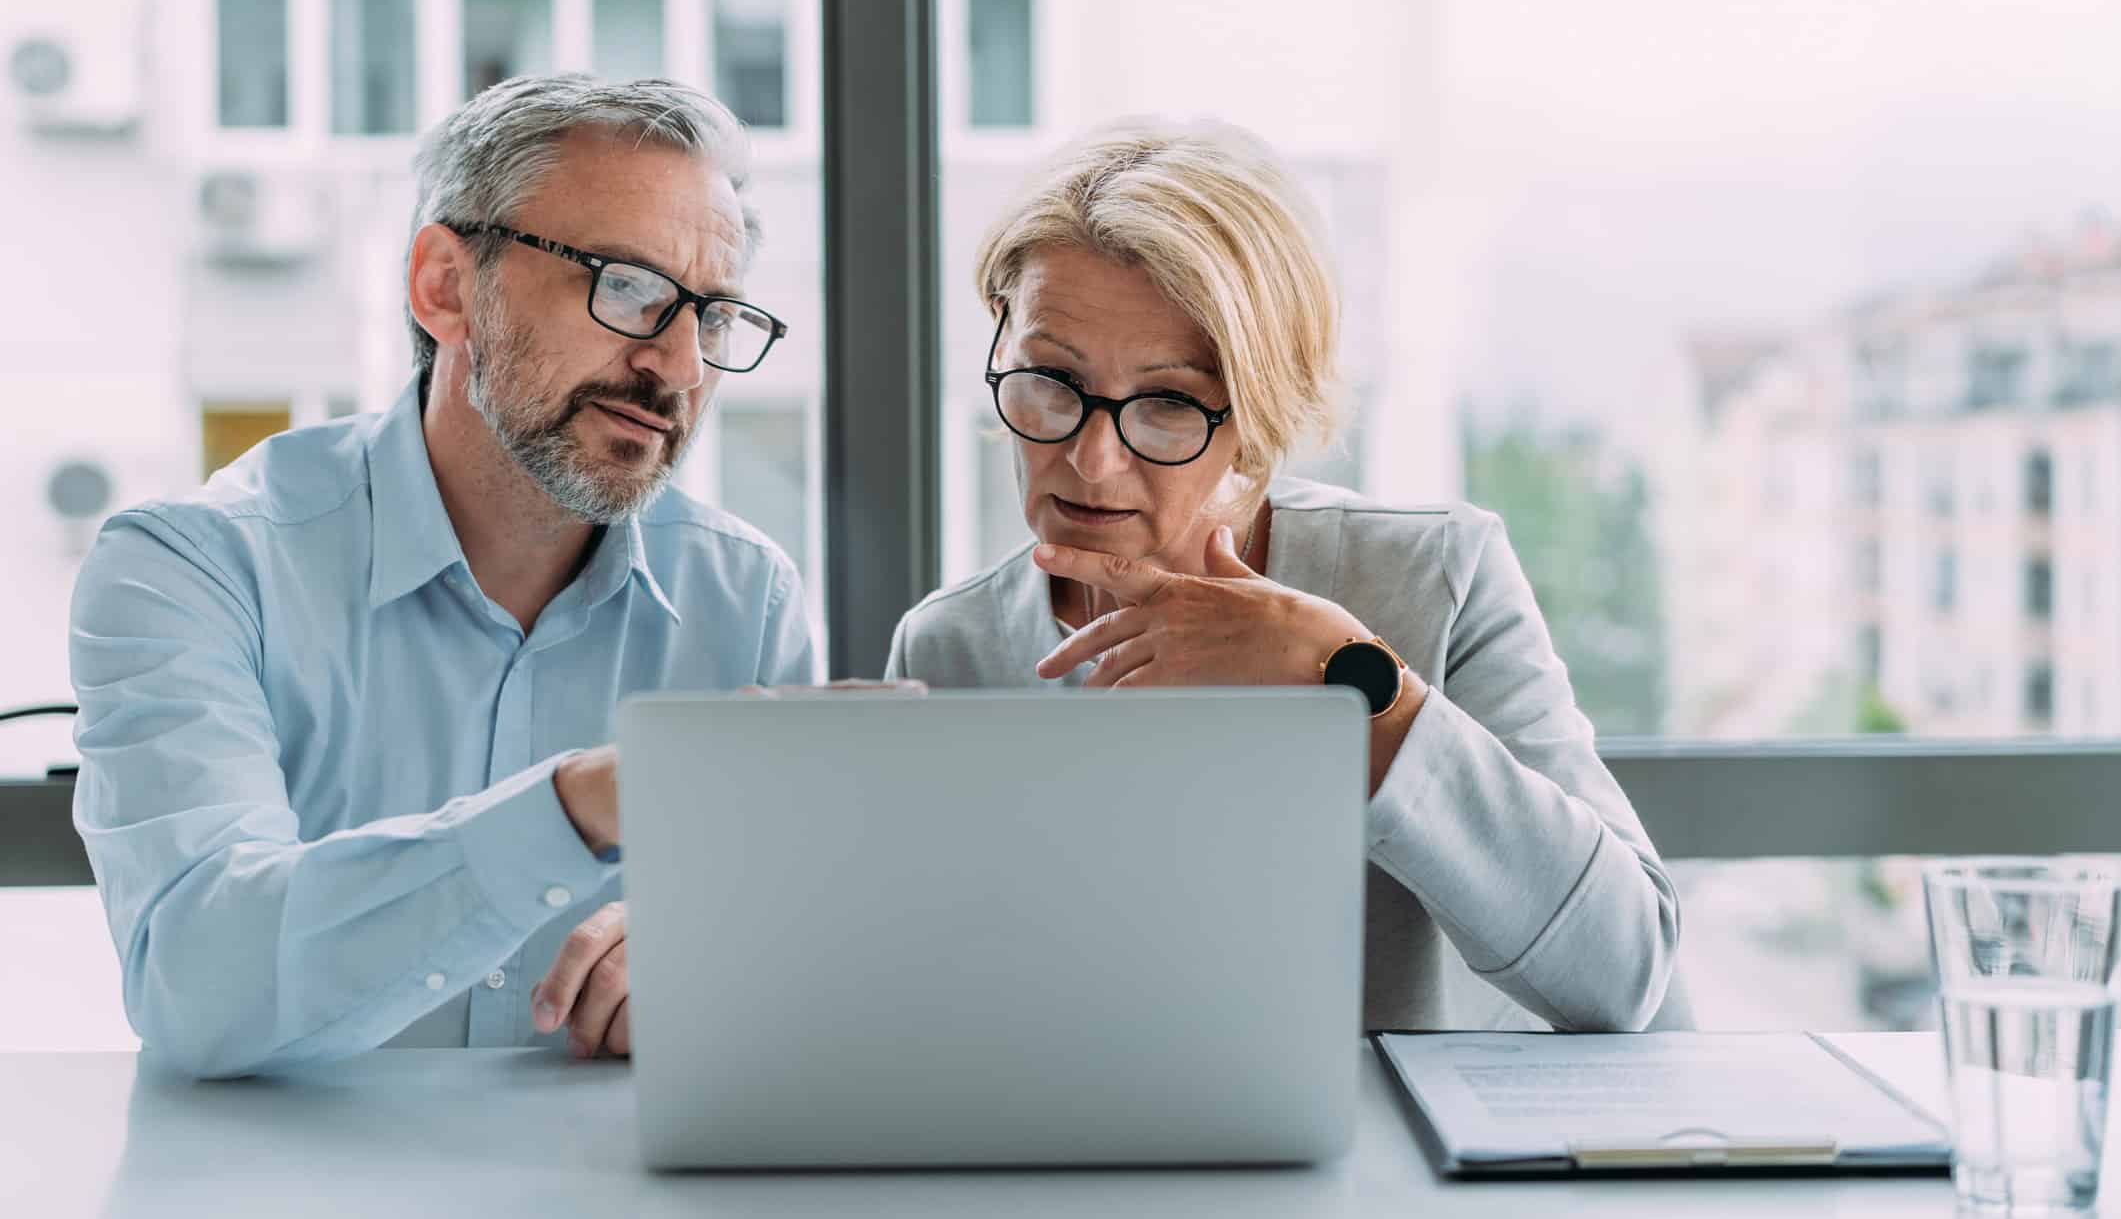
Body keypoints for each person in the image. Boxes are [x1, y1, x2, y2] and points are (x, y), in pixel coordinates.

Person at [70, 74, 813, 1078]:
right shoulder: (193, 567)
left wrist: (730, 968)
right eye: (628, 287)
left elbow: (788, 976)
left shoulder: (746, 601)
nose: (678, 367)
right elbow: (199, 981)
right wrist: (576, 805)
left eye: (715, 317)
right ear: (445, 287)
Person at [886, 117, 1680, 1032]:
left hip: (1404, 1164)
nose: (1092, 458)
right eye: (1052, 384)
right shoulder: (950, 643)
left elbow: (1622, 970)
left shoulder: (1432, 576)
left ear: (1262, 411)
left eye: (1170, 402)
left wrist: (1348, 676)